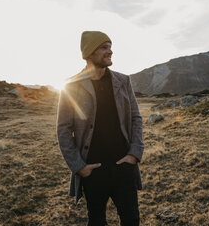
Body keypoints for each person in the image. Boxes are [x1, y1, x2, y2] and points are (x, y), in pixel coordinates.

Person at [57, 31, 144, 226]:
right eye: (104, 47)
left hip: (124, 167)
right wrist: (79, 167)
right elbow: (63, 129)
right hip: (92, 171)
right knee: (96, 221)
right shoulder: (71, 86)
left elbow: (135, 118)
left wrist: (134, 154)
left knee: (132, 220)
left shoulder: (123, 81)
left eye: (110, 46)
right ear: (89, 52)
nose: (110, 51)